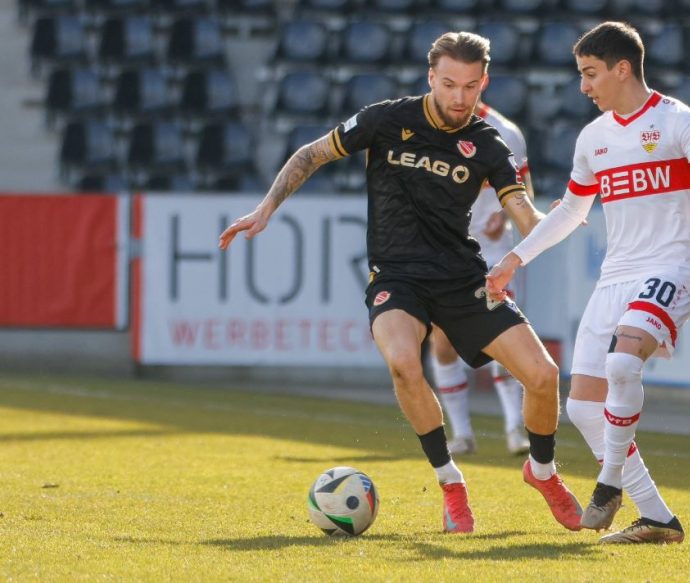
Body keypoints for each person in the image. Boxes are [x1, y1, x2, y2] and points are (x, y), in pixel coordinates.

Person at [218, 31, 583, 534]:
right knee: (404, 363)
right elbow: (311, 154)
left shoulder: (489, 143)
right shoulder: (387, 119)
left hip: (462, 278)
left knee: (543, 377)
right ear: (431, 78)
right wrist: (265, 210)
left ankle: (541, 472)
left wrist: (560, 220)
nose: (459, 97)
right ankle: (451, 484)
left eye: (470, 87)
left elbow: (521, 213)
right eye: (449, 84)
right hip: (397, 276)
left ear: (484, 84)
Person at [487, 21, 690, 544]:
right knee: (582, 406)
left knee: (623, 362)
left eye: (590, 74)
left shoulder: (678, 121)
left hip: (673, 265)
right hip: (616, 275)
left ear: (622, 68)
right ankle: (658, 518)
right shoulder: (594, 138)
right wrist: (516, 257)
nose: (584, 87)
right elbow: (570, 211)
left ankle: (607, 484)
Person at [430, 98, 533, 457]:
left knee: (503, 337)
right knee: (442, 342)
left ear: (482, 81)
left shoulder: (507, 133)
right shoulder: (429, 126)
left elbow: (525, 192)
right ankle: (462, 434)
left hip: (491, 253)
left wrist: (505, 218)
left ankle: (514, 429)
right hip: (444, 250)